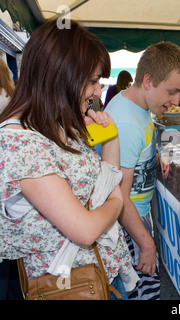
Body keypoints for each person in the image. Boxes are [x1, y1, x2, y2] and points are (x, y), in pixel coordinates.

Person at [0, 20, 138, 300]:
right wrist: (116, 201)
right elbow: (85, 230)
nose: (98, 91)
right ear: (60, 75)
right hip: (71, 288)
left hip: (102, 274)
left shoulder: (57, 124)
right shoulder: (21, 143)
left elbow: (109, 178)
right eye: (92, 81)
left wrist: (109, 136)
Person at [105, 41, 180, 300]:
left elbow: (135, 153)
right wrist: (146, 243)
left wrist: (154, 156)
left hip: (136, 219)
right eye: (172, 92)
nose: (176, 101)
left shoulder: (137, 107)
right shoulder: (127, 123)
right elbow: (119, 197)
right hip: (129, 227)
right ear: (147, 80)